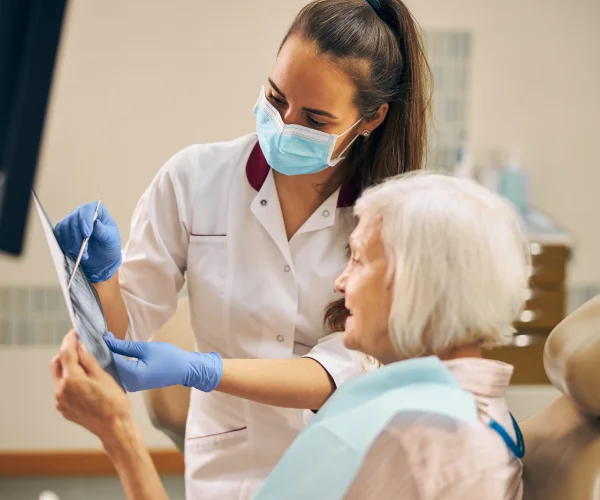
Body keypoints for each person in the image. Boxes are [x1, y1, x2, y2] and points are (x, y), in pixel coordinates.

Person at [52, 0, 431, 498]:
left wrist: (204, 370)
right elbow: (124, 336)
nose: (284, 124)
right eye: (276, 100)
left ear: (371, 118)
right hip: (226, 462)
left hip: (342, 461)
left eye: (314, 120)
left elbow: (345, 369)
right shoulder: (195, 179)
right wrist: (99, 277)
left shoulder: (388, 219)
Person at [53, 172, 528, 499]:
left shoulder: (418, 442)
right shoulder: (468, 413)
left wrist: (119, 434)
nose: (341, 283)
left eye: (358, 259)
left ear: (417, 283)